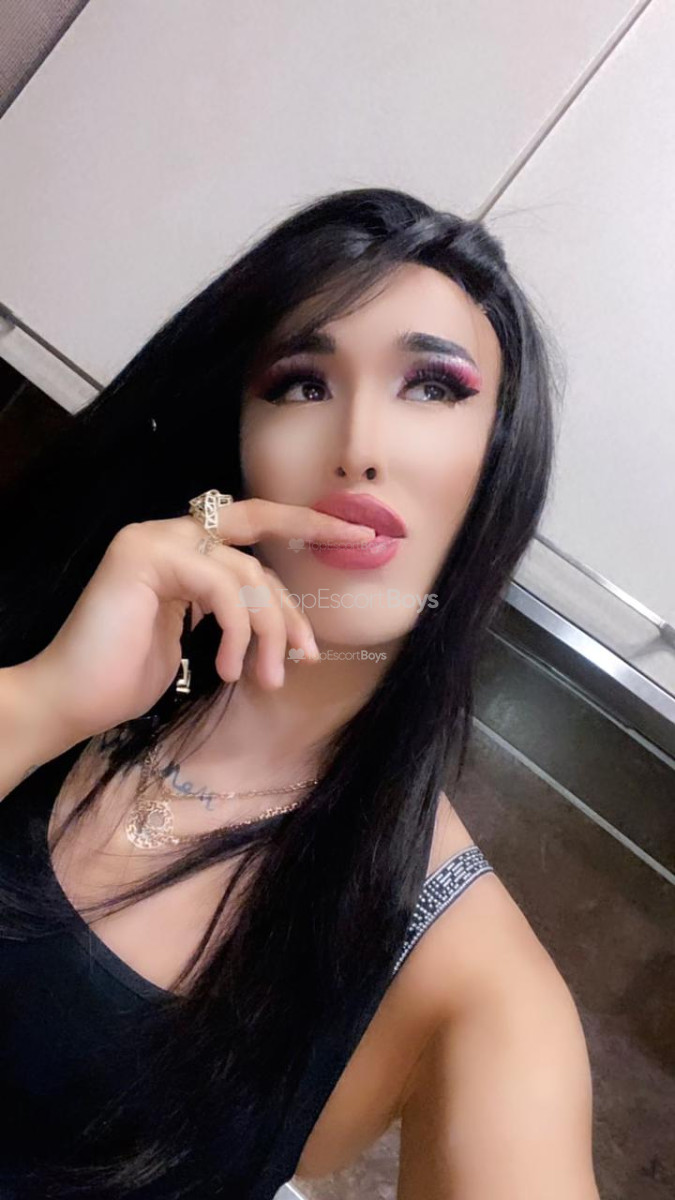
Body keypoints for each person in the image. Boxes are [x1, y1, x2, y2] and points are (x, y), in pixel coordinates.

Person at [0, 187, 600, 1199]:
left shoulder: (472, 984)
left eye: (432, 387)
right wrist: (47, 701)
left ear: (499, 460)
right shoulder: (57, 641)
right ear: (238, 441)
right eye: (302, 384)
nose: (358, 443)